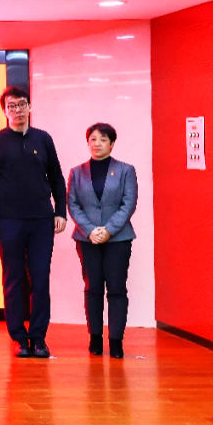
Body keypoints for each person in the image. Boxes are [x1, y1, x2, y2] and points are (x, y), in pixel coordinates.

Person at [0, 86, 67, 359]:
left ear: (30, 107)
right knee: (13, 279)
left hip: (42, 220)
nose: (17, 110)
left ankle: (39, 338)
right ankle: (19, 338)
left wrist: (60, 211)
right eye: (11, 106)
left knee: (40, 278)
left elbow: (56, 178)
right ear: (4, 110)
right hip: (9, 221)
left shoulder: (43, 139)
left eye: (21, 104)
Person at [67, 123, 138, 359]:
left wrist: (108, 230)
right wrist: (90, 231)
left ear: (112, 144)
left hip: (118, 239)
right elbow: (73, 204)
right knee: (93, 288)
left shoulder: (126, 170)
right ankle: (95, 338)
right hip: (87, 240)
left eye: (103, 139)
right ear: (88, 143)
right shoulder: (77, 172)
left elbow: (128, 204)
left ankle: (116, 341)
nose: (97, 144)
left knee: (116, 289)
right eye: (93, 139)